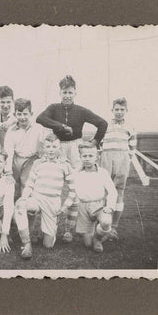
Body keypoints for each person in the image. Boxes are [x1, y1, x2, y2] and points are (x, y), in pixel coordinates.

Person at [36, 75, 107, 242]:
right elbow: (40, 118)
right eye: (64, 92)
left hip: (75, 148)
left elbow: (102, 123)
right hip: (57, 147)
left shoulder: (81, 110)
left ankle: (68, 230)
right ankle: (49, 227)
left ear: (75, 93)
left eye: (70, 92)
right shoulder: (53, 108)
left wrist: (94, 143)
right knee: (52, 188)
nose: (67, 95)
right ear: (60, 93)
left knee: (74, 190)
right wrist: (60, 126)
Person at [15, 134, 77, 259]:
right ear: (44, 148)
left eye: (54, 146)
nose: (51, 149)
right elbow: (29, 185)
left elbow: (73, 190)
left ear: (59, 148)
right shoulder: (38, 163)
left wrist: (65, 206)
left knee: (48, 245)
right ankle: (27, 244)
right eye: (48, 146)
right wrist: (24, 197)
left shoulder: (65, 165)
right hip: (37, 198)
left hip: (53, 202)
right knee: (21, 205)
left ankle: (44, 232)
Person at [99, 97, 137, 239]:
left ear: (126, 110)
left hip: (123, 159)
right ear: (112, 110)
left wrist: (127, 159)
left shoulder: (130, 126)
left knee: (119, 190)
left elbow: (133, 146)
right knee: (104, 190)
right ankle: (103, 225)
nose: (119, 112)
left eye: (122, 109)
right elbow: (99, 143)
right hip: (107, 157)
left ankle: (114, 226)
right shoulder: (105, 125)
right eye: (117, 109)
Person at [73, 142, 117, 253]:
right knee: (88, 244)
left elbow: (112, 191)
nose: (87, 159)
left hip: (99, 205)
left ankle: (98, 239)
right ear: (80, 157)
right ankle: (107, 233)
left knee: (106, 222)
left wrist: (110, 207)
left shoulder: (102, 173)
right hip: (83, 207)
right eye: (84, 156)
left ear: (97, 157)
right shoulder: (76, 173)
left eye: (90, 156)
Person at [4, 98, 46, 198]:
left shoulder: (38, 128)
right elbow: (8, 152)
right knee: (12, 184)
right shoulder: (11, 131)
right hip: (16, 159)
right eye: (19, 114)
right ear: (15, 115)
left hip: (31, 159)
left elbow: (43, 147)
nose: (22, 117)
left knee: (27, 183)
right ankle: (13, 207)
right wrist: (8, 172)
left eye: (25, 114)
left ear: (31, 114)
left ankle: (26, 207)